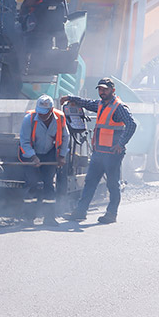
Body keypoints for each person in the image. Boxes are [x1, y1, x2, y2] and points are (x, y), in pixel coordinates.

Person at [61, 78, 138, 224]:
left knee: (112, 184)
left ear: (112, 90)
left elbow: (131, 125)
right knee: (90, 182)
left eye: (105, 89)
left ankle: (111, 214)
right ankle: (80, 212)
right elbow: (87, 103)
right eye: (100, 89)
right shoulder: (101, 104)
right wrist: (71, 98)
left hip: (112, 154)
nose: (102, 92)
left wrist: (121, 144)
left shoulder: (119, 107)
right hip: (99, 153)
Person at [18, 94, 69, 227]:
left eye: (44, 113)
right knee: (32, 184)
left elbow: (65, 138)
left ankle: (49, 217)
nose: (41, 115)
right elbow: (24, 141)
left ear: (51, 110)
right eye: (39, 113)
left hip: (49, 154)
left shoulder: (60, 119)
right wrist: (33, 157)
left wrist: (62, 156)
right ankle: (29, 218)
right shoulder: (28, 119)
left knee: (49, 185)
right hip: (31, 153)